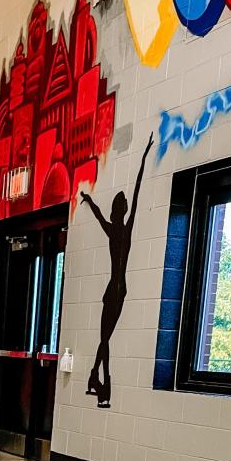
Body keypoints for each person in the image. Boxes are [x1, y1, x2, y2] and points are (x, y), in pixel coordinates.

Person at [79, 133, 154, 407]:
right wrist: (144, 157)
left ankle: (96, 379)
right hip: (119, 290)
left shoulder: (114, 231)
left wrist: (89, 200)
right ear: (122, 211)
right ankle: (100, 381)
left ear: (115, 211)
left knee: (105, 337)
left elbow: (106, 209)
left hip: (113, 289)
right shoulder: (125, 230)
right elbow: (134, 192)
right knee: (105, 338)